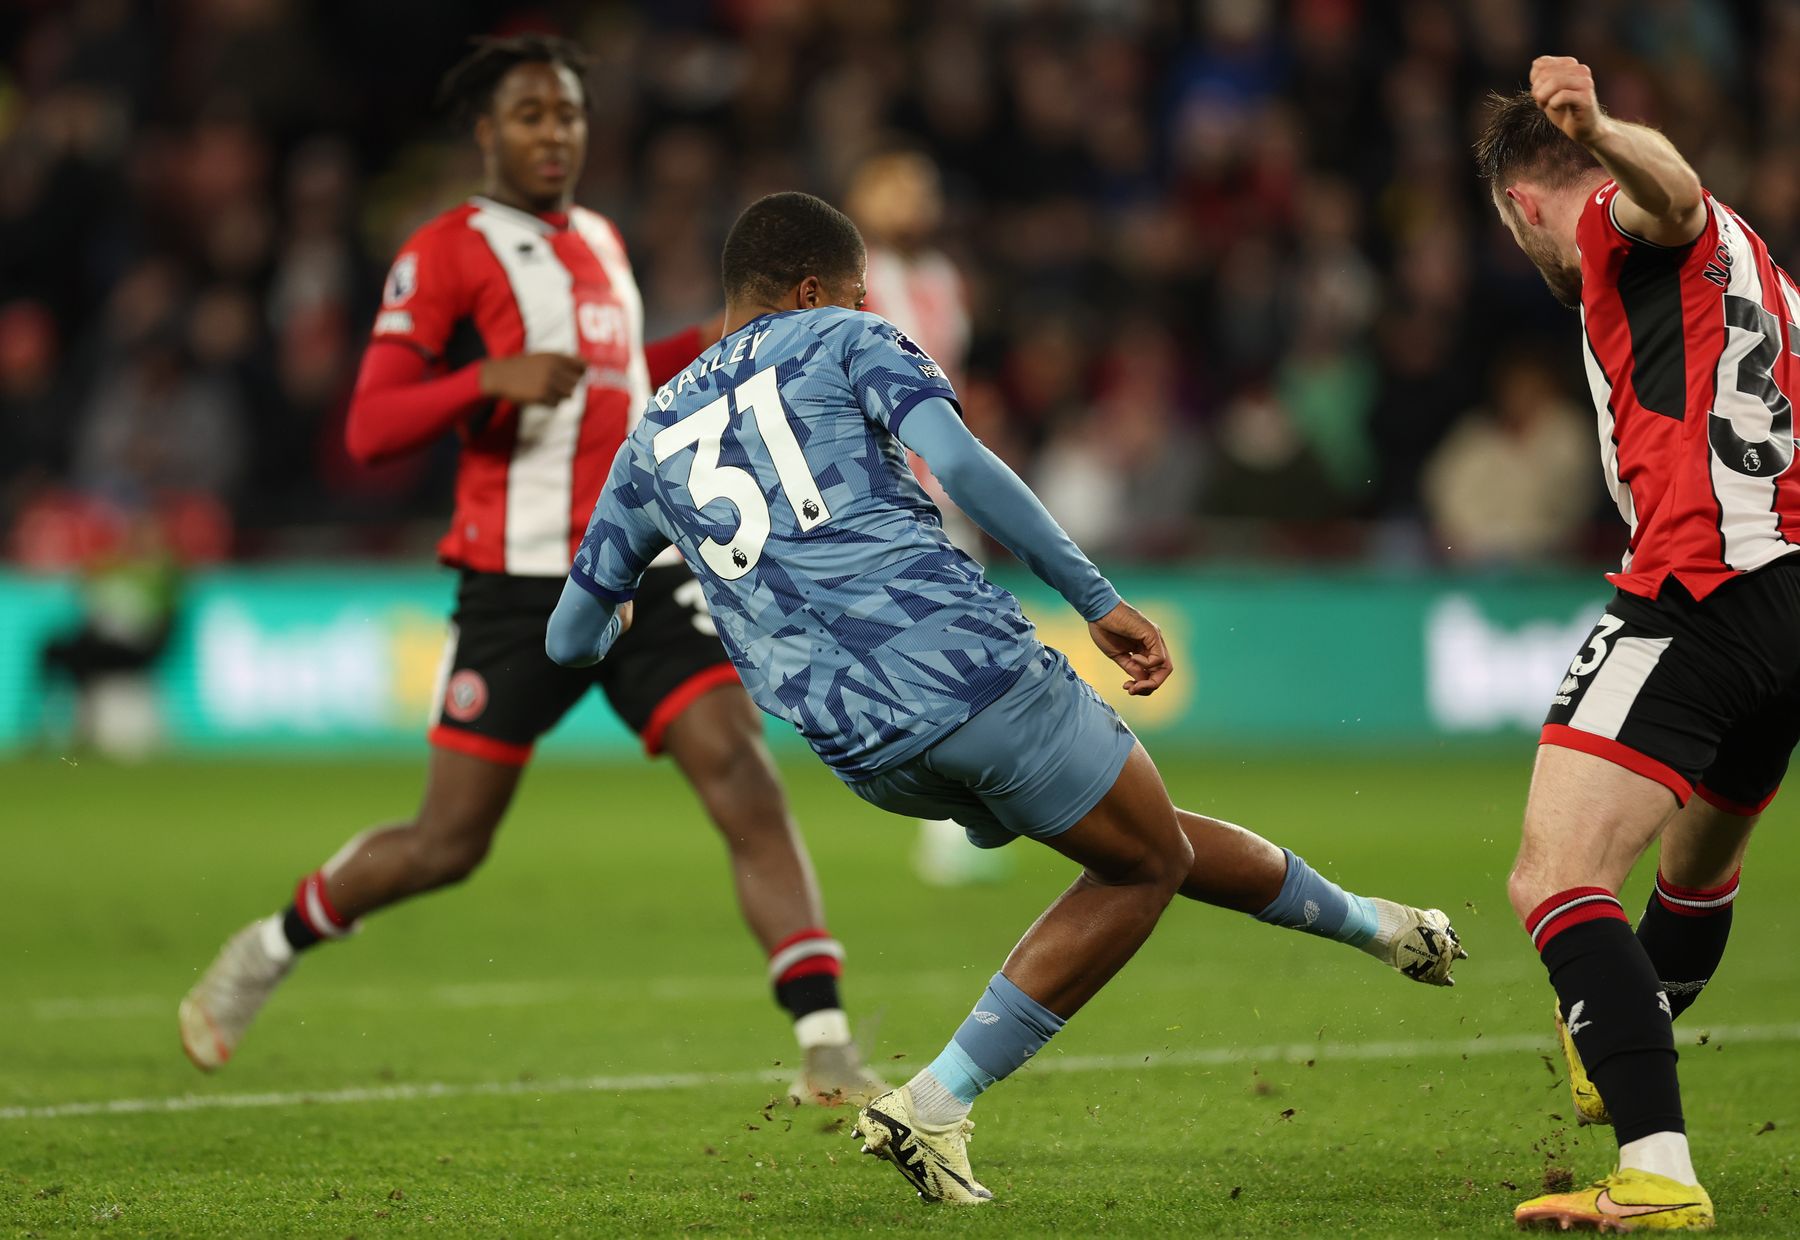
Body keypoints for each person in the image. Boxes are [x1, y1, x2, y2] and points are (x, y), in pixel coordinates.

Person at [547, 191, 1466, 1205]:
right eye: (853, 292)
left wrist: (619, 620)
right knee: (1146, 861)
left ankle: (1383, 927)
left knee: (1141, 836)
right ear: (815, 290)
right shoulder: (848, 336)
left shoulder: (653, 430)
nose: (861, 304)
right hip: (962, 670)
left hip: (854, 746)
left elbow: (568, 635)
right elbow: (961, 465)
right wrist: (1094, 598)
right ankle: (935, 1102)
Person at [178, 36, 885, 1107]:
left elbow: (615, 390)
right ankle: (269, 946)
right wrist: (484, 381)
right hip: (513, 585)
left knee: (738, 766)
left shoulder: (600, 238)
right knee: (446, 843)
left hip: (636, 564)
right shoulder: (446, 251)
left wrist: (715, 338)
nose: (554, 134)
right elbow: (369, 425)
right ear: (485, 131)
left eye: (568, 114)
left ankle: (826, 1040)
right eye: (530, 115)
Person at [1475, 56, 1800, 1231]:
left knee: (1553, 873)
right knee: (1697, 868)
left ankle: (1658, 1167)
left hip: (1705, 580)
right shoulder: (1754, 263)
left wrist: (1599, 128)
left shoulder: (1624, 219)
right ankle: (1619, 1025)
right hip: (1792, 596)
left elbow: (1668, 192)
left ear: (1522, 204)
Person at [844, 147, 995, 886]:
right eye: (899, 189)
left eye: (924, 189)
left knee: (965, 653)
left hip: (948, 491)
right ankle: (950, 814)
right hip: (881, 494)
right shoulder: (851, 284)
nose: (916, 201)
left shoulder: (942, 279)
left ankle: (966, 811)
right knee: (920, 656)